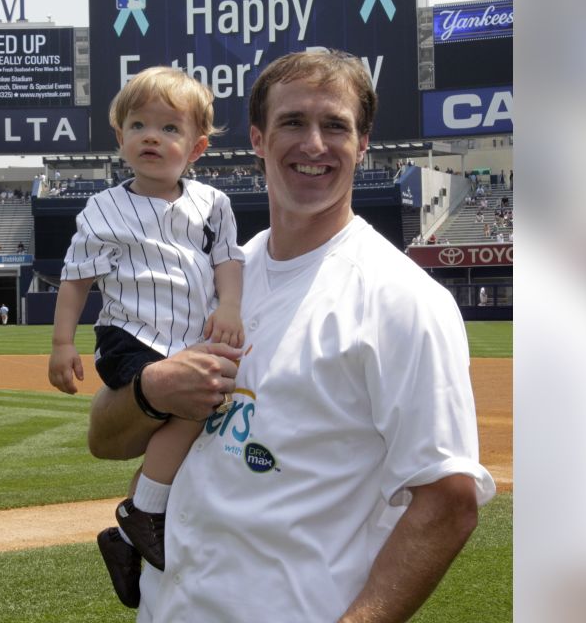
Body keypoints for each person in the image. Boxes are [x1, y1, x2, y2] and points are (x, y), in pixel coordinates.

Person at [87, 50, 493, 619]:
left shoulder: (402, 299)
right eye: (293, 122)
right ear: (257, 137)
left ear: (363, 142)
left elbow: (448, 501)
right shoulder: (213, 280)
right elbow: (106, 437)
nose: (314, 144)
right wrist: (152, 390)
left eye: (335, 125)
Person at [48, 67, 244, 595]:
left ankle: (128, 536)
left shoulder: (213, 204)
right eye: (138, 125)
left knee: (185, 429)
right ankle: (142, 514)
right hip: (129, 335)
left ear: (198, 147)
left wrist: (229, 307)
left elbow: (228, 261)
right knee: (191, 409)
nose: (151, 136)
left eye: (169, 128)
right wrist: (62, 343)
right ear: (120, 138)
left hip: (187, 339)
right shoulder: (103, 207)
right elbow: (75, 281)